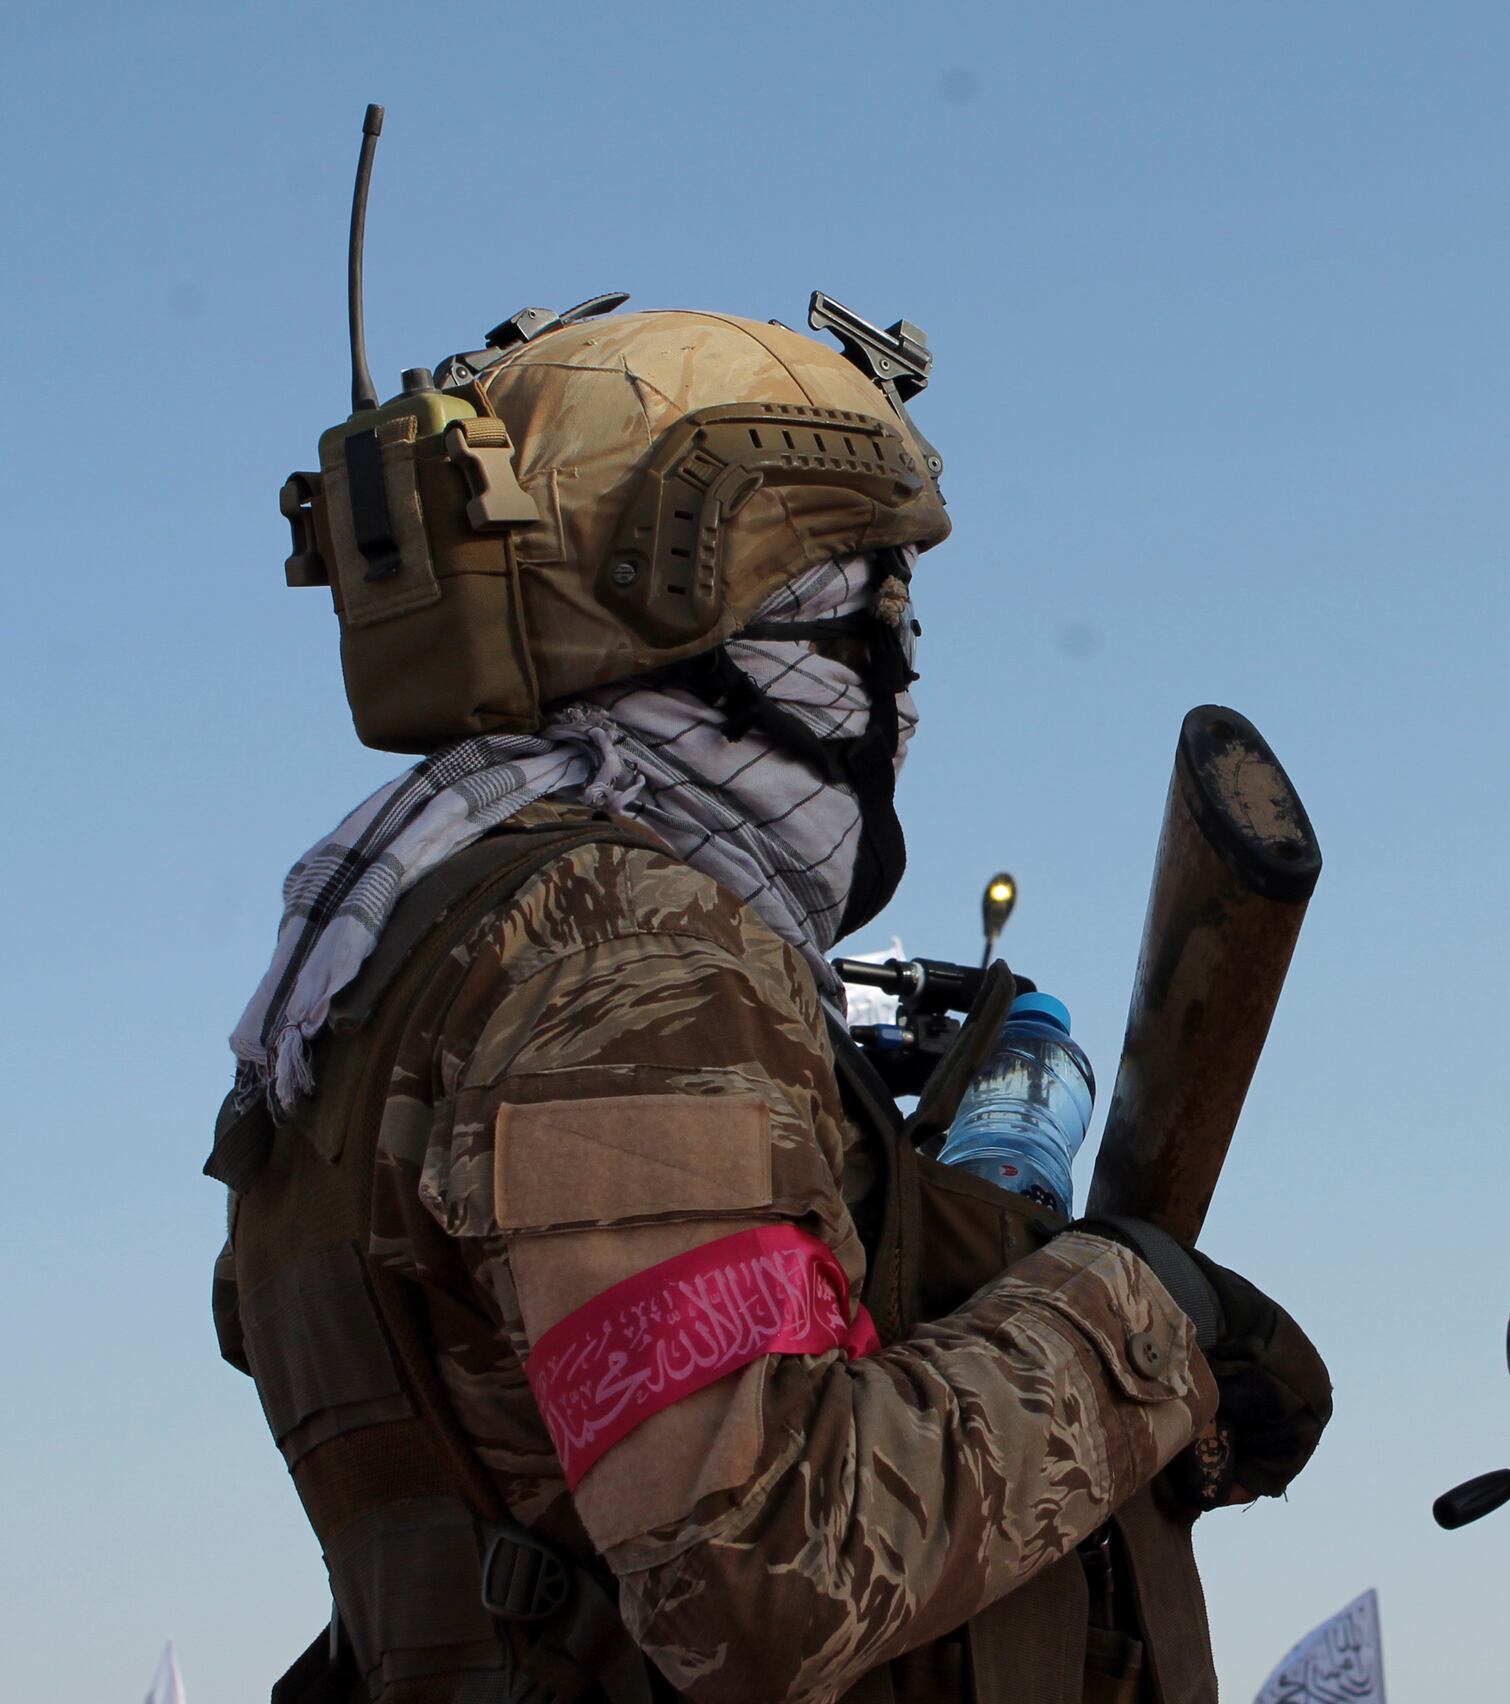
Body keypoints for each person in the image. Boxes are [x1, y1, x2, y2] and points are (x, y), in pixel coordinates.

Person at [209, 304, 1329, 1704]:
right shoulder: (620, 951)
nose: (903, 688)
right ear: (728, 626)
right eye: (874, 617)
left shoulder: (367, 970)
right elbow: (763, 1571)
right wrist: (1140, 1321)